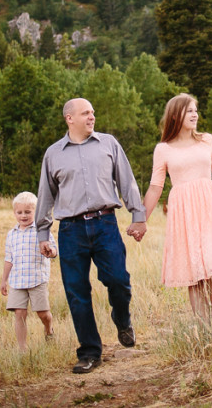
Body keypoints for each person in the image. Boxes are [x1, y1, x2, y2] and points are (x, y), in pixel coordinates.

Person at [34, 97, 148, 374]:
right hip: (71, 231)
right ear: (69, 118)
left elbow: (127, 180)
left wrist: (139, 215)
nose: (91, 117)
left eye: (93, 113)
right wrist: (42, 234)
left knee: (119, 280)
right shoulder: (53, 154)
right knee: (77, 292)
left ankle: (122, 320)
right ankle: (89, 352)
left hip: (105, 224)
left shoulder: (108, 144)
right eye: (85, 113)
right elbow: (45, 195)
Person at [142, 93, 212, 321]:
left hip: (208, 205)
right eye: (189, 110)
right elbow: (155, 187)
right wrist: (141, 219)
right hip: (183, 210)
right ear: (176, 115)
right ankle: (202, 326)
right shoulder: (163, 149)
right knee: (193, 267)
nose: (195, 114)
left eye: (196, 110)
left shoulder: (207, 140)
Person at [1, 191, 57, 352]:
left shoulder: (42, 231)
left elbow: (54, 249)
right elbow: (8, 259)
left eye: (28, 212)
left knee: (42, 313)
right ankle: (22, 348)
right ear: (14, 213)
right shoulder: (12, 234)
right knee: (19, 313)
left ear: (36, 212)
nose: (23, 216)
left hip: (37, 279)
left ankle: (48, 329)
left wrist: (51, 251)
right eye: (19, 212)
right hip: (17, 281)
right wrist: (4, 280)